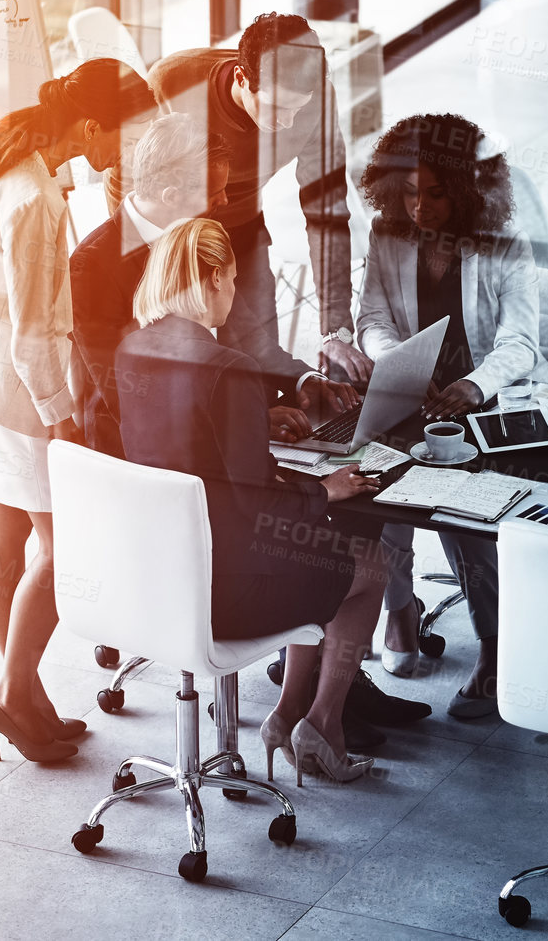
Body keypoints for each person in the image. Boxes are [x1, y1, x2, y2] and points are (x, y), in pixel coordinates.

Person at [0, 58, 156, 764]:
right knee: (62, 549)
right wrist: (61, 416)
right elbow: (32, 332)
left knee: (3, 532)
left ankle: (27, 696)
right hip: (22, 389)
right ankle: (12, 691)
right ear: (89, 127)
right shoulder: (36, 201)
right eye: (125, 134)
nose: (129, 150)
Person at [116, 218, 388, 782]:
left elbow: (184, 446)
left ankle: (288, 714)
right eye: (233, 280)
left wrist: (251, 423)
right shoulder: (229, 367)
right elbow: (257, 508)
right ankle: (323, 724)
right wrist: (323, 488)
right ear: (212, 280)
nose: (235, 293)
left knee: (323, 550)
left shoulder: (134, 348)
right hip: (225, 592)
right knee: (370, 563)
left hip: (157, 578)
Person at [356, 113, 542, 718]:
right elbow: (372, 321)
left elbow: (520, 344)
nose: (418, 207)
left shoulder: (506, 246)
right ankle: (400, 609)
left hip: (482, 408)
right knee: (377, 499)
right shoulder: (386, 239)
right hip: (411, 398)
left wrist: (472, 382)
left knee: (465, 522)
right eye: (407, 191)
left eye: (434, 192)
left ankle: (495, 647)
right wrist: (401, 362)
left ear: (465, 189)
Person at [69, 113, 356, 460]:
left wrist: (305, 380)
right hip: (142, 453)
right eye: (215, 192)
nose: (223, 201)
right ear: (171, 195)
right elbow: (123, 389)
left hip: (226, 430)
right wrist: (241, 422)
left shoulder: (205, 231)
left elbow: (249, 334)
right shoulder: (91, 264)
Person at [145, 12, 374, 386]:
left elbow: (327, 213)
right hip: (170, 235)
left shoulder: (317, 100)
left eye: (297, 109)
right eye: (277, 107)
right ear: (241, 78)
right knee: (179, 371)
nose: (287, 123)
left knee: (259, 366)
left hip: (244, 225)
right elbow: (127, 182)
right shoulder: (172, 83)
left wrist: (336, 331)